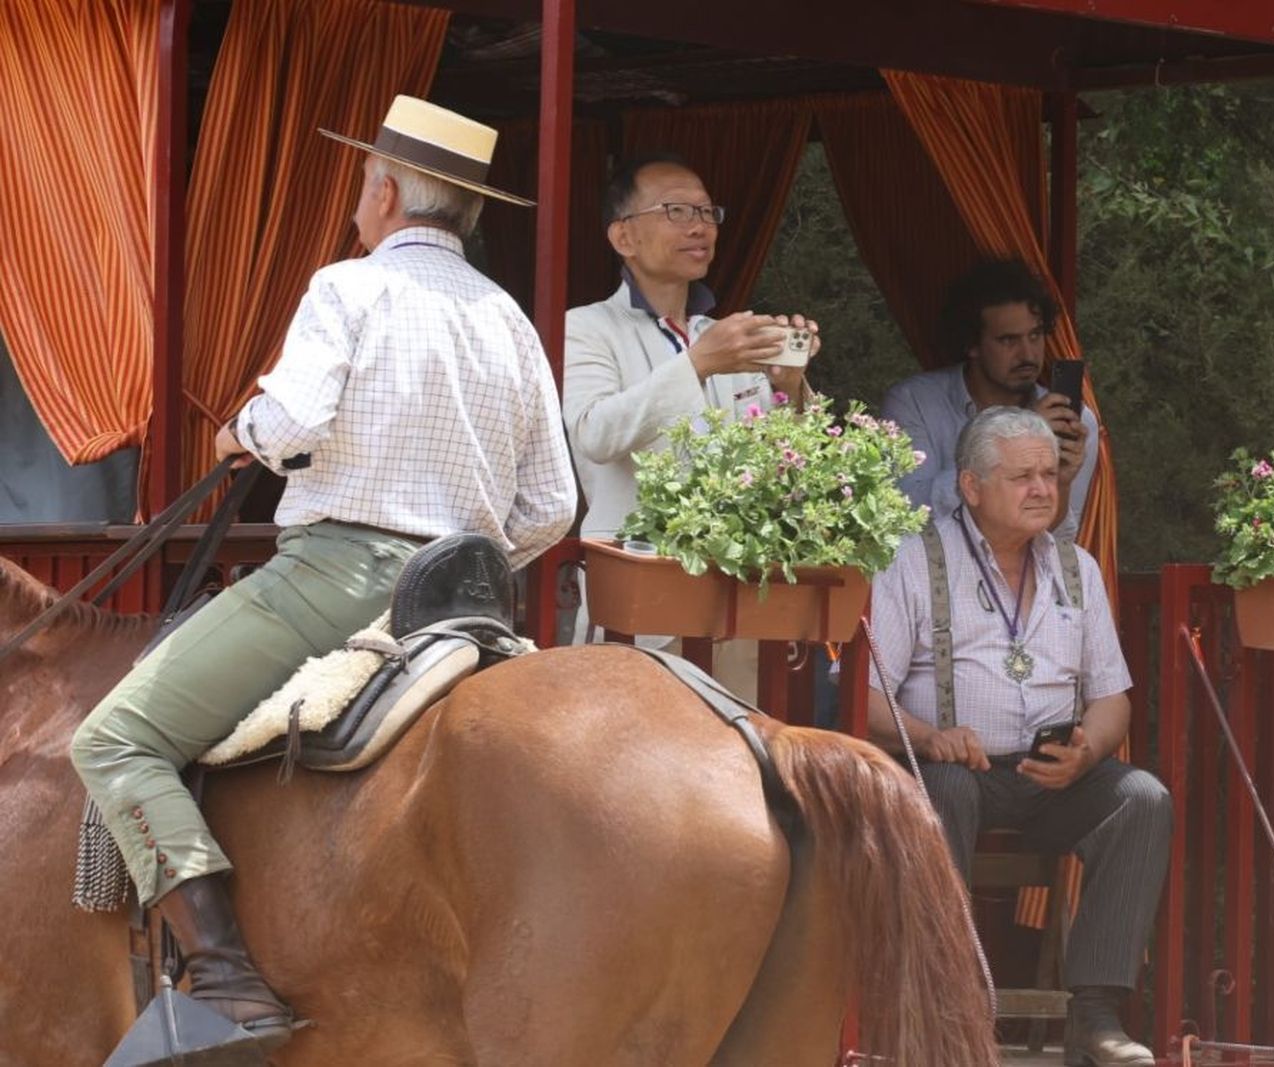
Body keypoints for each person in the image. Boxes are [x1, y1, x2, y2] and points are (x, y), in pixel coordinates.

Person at [71, 95, 577, 1052]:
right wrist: (462, 555)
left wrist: (236, 434)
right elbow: (551, 506)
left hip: (337, 575)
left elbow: (292, 424)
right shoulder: (506, 316)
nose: (356, 204)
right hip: (463, 595)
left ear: (384, 192)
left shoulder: (347, 289)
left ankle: (224, 980)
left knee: (117, 738)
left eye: (359, 186)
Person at [865, 407, 1169, 1067]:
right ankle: (941, 1007)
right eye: (1021, 476)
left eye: (1050, 474)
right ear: (971, 487)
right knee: (939, 786)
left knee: (1141, 797)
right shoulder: (913, 558)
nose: (1042, 488)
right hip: (956, 773)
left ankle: (1095, 1018)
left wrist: (1087, 748)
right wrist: (930, 735)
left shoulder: (1075, 566)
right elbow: (866, 699)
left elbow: (1113, 696)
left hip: (1051, 777)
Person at [562, 154, 817, 677]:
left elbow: (788, 472)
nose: (700, 226)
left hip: (740, 599)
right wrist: (698, 364)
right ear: (623, 237)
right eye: (677, 211)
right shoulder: (585, 327)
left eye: (707, 212)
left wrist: (790, 386)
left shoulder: (726, 334)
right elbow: (595, 434)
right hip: (640, 601)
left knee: (740, 751)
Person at [882, 258, 1099, 539]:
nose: (1028, 354)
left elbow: (1058, 542)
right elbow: (908, 513)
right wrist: (1020, 435)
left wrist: (1063, 484)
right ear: (971, 344)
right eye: (1008, 340)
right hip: (933, 577)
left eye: (1035, 335)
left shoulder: (1072, 421)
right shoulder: (914, 403)